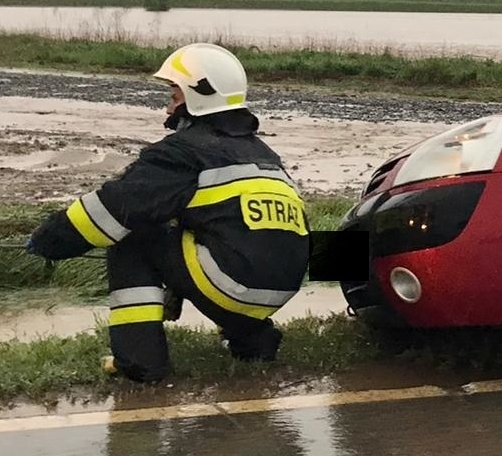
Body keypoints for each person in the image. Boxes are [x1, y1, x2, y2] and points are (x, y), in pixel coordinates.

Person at [27, 42, 310, 383]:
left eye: (174, 95)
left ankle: (140, 364)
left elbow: (113, 209)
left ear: (198, 96)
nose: (167, 106)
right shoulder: (264, 154)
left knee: (132, 235)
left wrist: (50, 240)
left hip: (234, 285)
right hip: (280, 289)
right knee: (212, 237)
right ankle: (255, 343)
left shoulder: (183, 153)